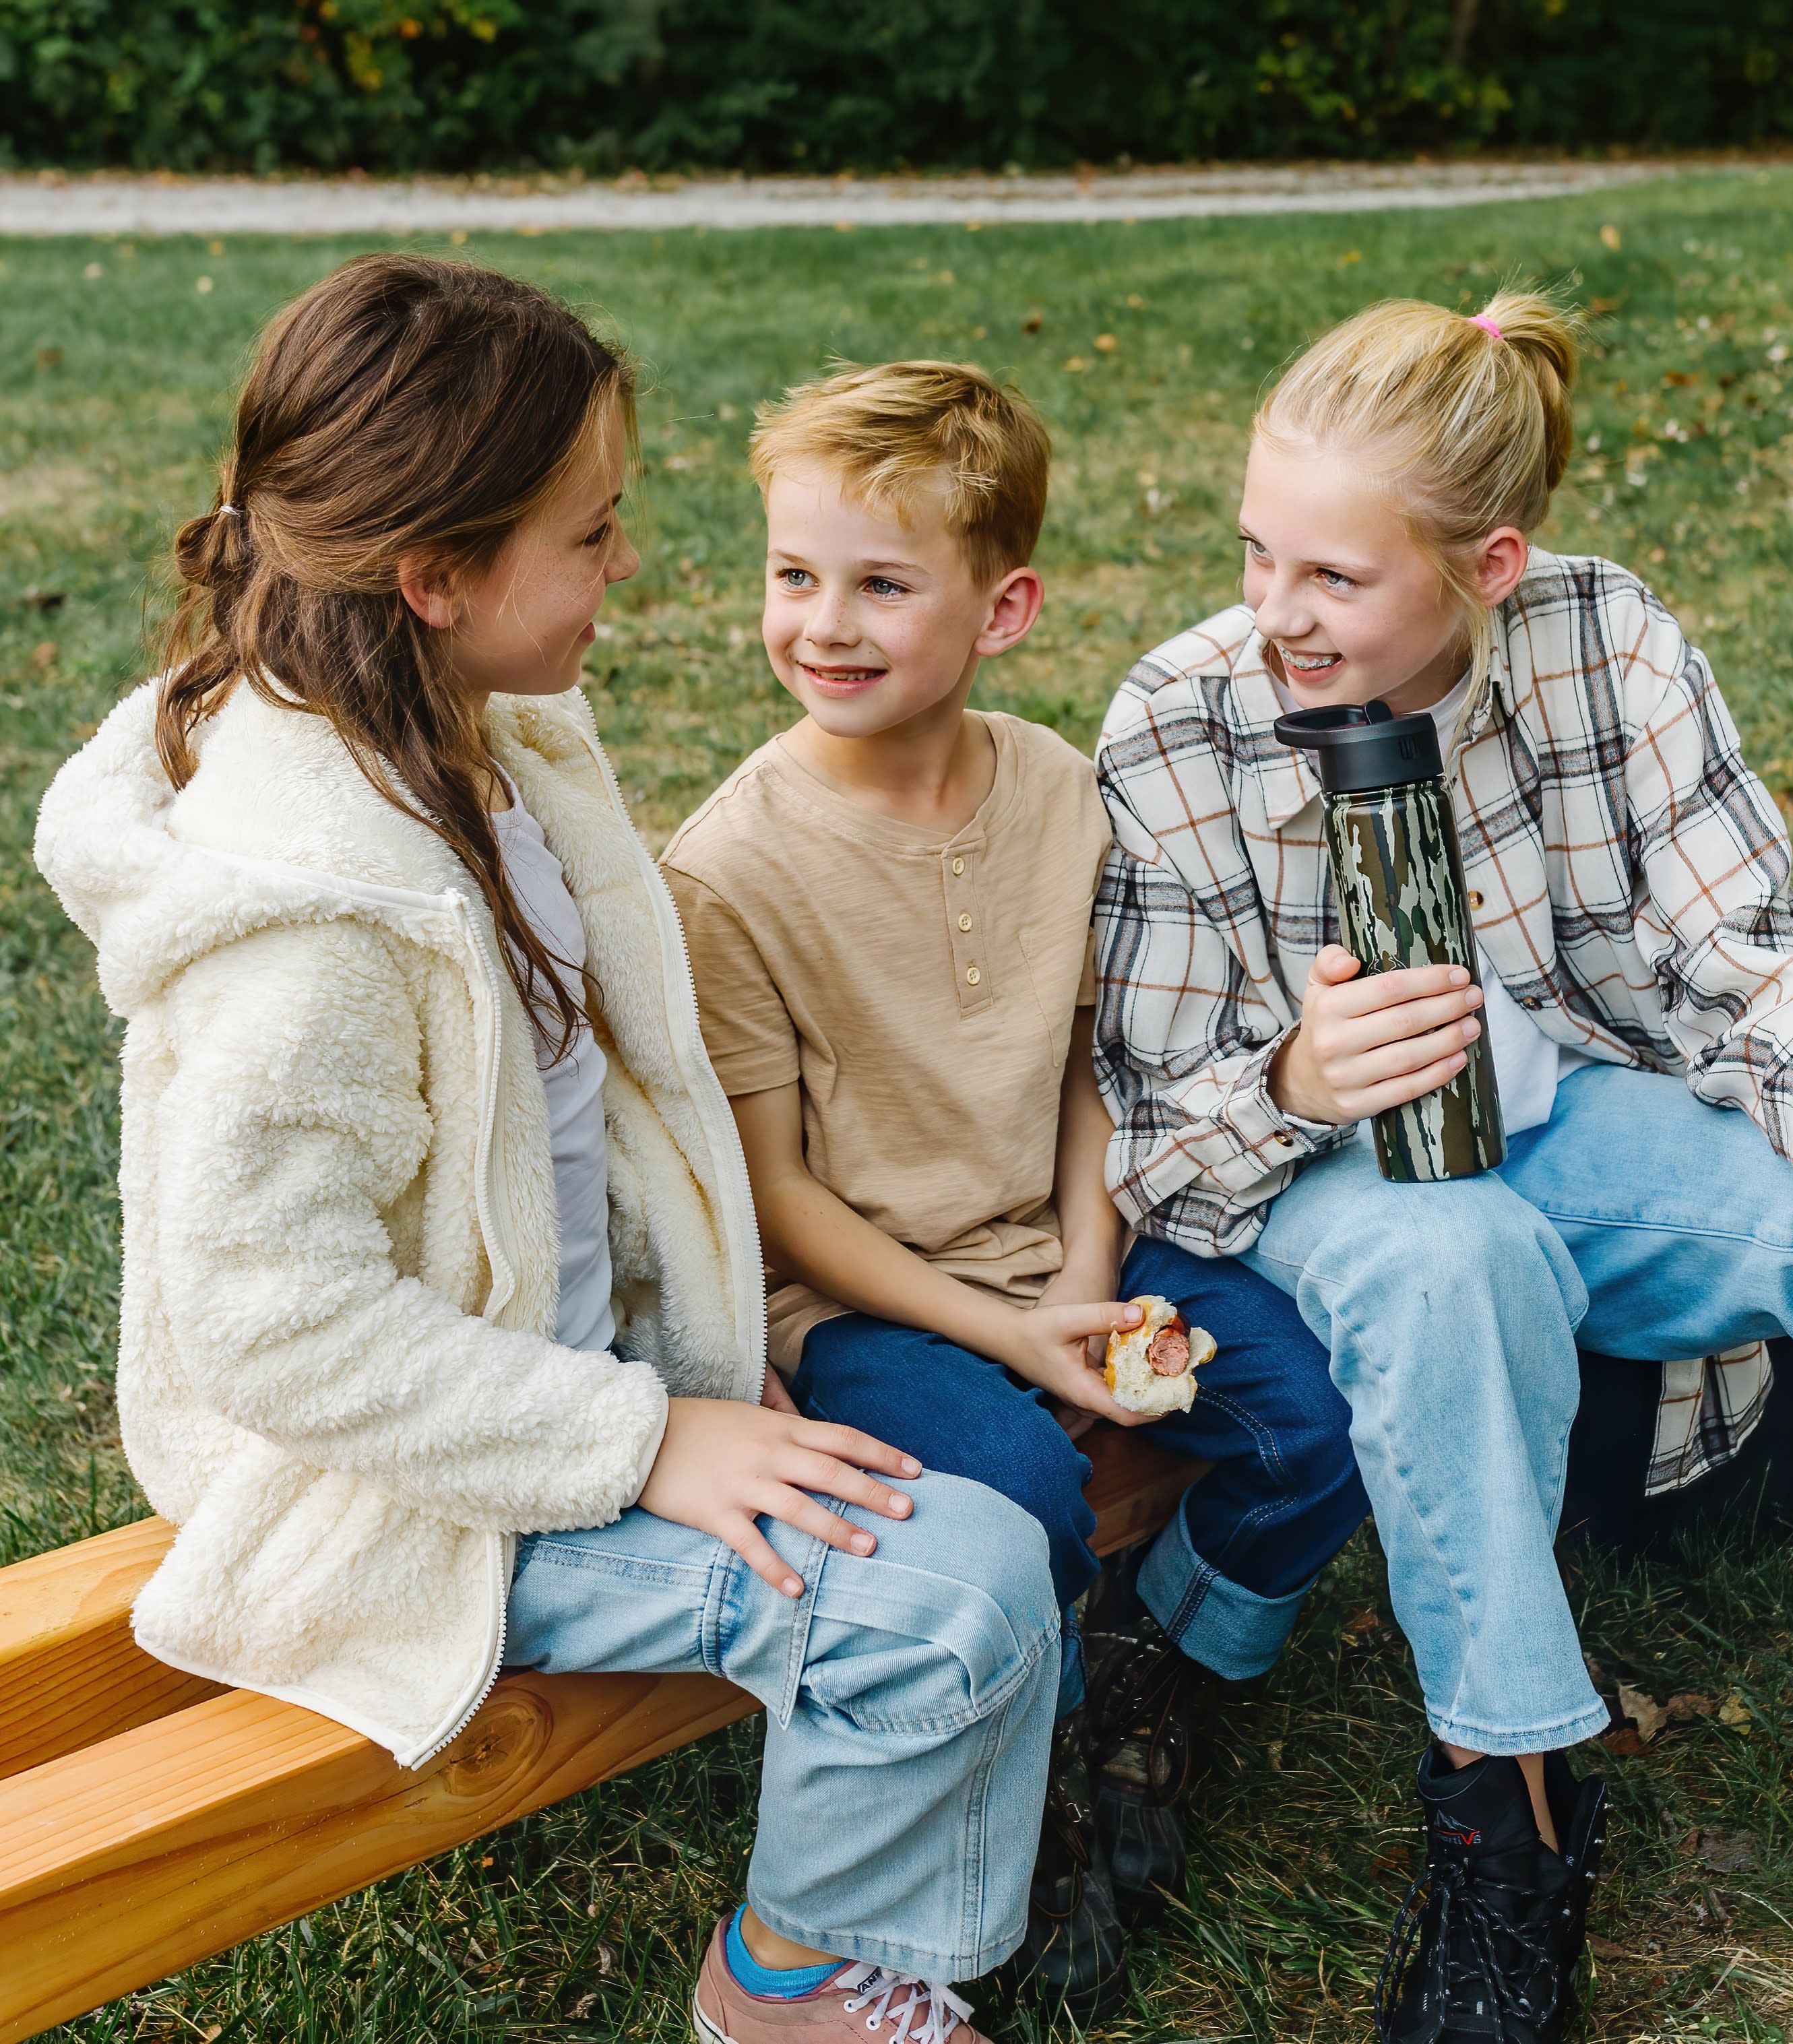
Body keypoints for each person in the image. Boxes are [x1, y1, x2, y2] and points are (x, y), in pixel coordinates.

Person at [34, 255, 1064, 2044]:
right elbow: (273, 1327)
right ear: (434, 578)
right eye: (589, 538)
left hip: (573, 1386)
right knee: (954, 1591)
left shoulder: (482, 727)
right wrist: (642, 1437)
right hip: (412, 1487)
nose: (626, 570)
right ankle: (790, 1987)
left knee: (974, 1519)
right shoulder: (319, 920)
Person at [1090, 290, 1793, 2041]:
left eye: (1333, 579)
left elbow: (1733, 941)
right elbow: (1158, 1138)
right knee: (1464, 1265)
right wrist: (1301, 1073)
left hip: (1577, 1126)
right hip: (1350, 1187)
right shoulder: (1176, 726)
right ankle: (1506, 1815)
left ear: (1490, 565)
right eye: (1256, 558)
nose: (1271, 616)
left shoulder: (1604, 639)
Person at [660, 360, 1366, 2022]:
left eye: (881, 583)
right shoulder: (726, 872)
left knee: (1320, 1409)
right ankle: (1015, 1780)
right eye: (792, 573)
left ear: (1005, 607)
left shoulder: (1060, 789)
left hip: (1059, 1247)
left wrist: (1082, 1278)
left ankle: (1158, 1660)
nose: (822, 622)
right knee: (1010, 1499)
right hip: (862, 1301)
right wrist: (1006, 1331)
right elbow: (775, 1197)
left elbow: (1078, 1064)